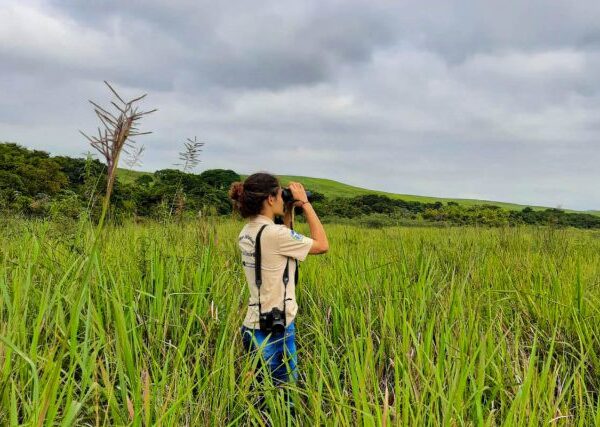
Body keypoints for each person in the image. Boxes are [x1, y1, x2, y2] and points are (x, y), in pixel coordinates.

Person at [229, 172, 329, 390]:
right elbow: (322, 245)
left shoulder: (248, 231)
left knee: (262, 395)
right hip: (274, 330)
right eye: (280, 195)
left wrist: (289, 209)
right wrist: (305, 203)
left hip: (253, 324)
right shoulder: (274, 235)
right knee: (283, 400)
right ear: (270, 199)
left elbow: (286, 242)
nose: (283, 199)